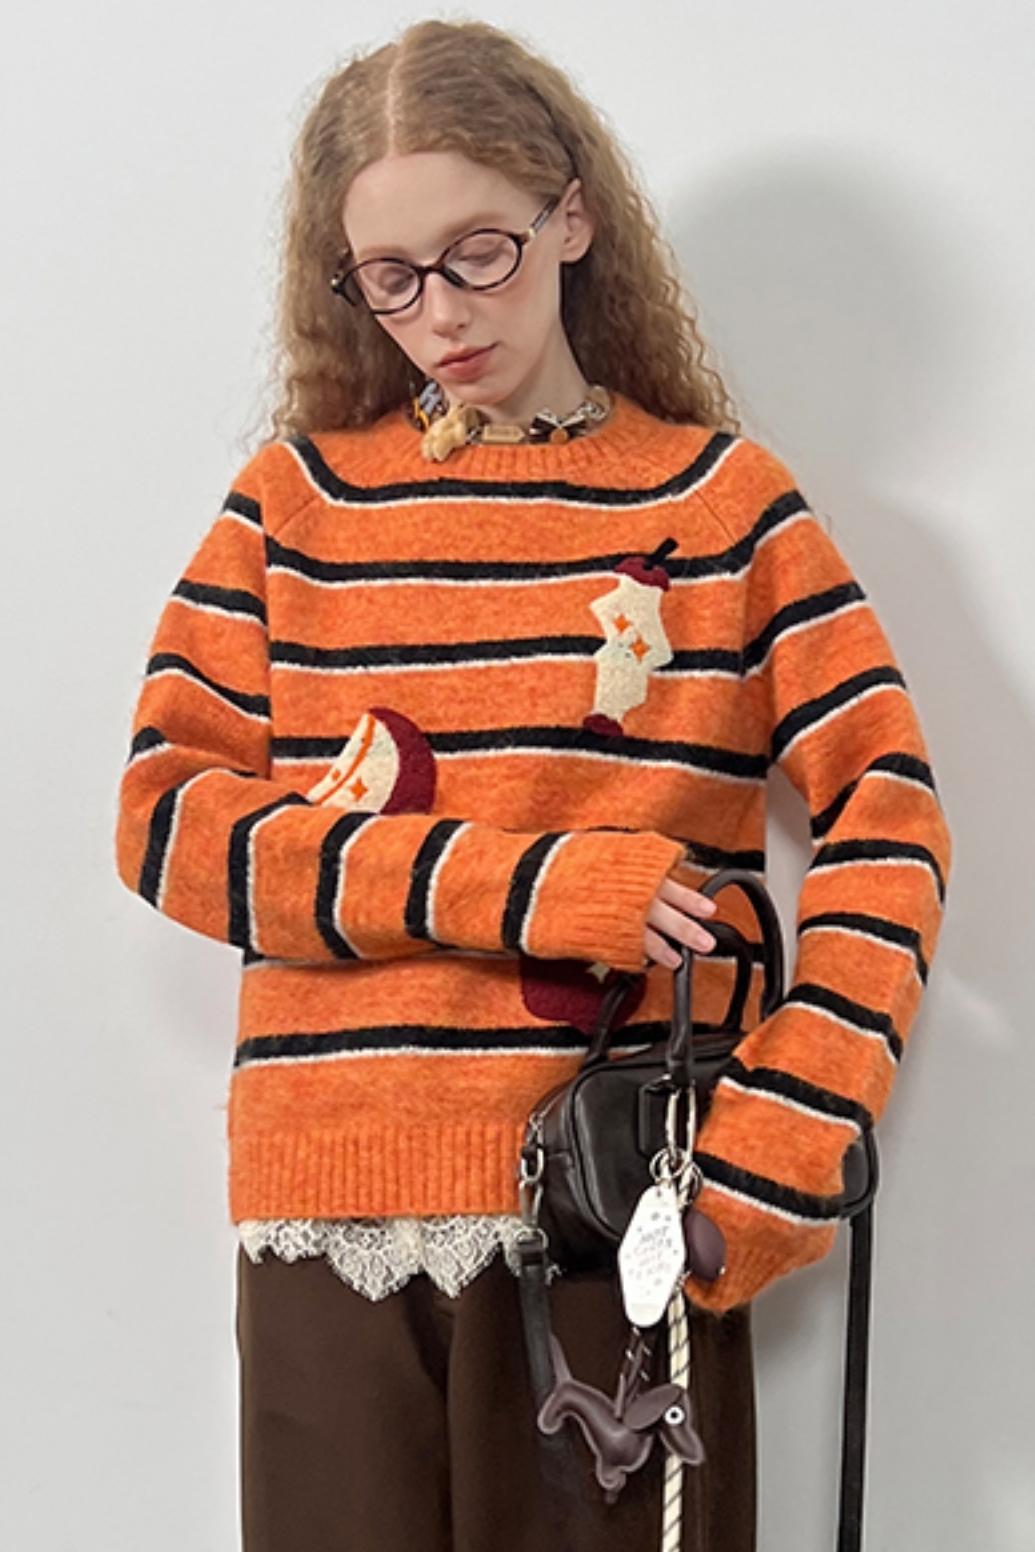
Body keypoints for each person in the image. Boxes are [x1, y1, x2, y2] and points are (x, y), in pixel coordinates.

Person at [113, 17, 952, 1552]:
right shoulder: (294, 508)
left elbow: (888, 813)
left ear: (572, 218)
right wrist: (528, 888)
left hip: (616, 1216)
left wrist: (782, 1144)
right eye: (390, 276)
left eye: (480, 252)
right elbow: (168, 821)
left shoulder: (723, 506)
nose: (441, 314)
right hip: (326, 1218)